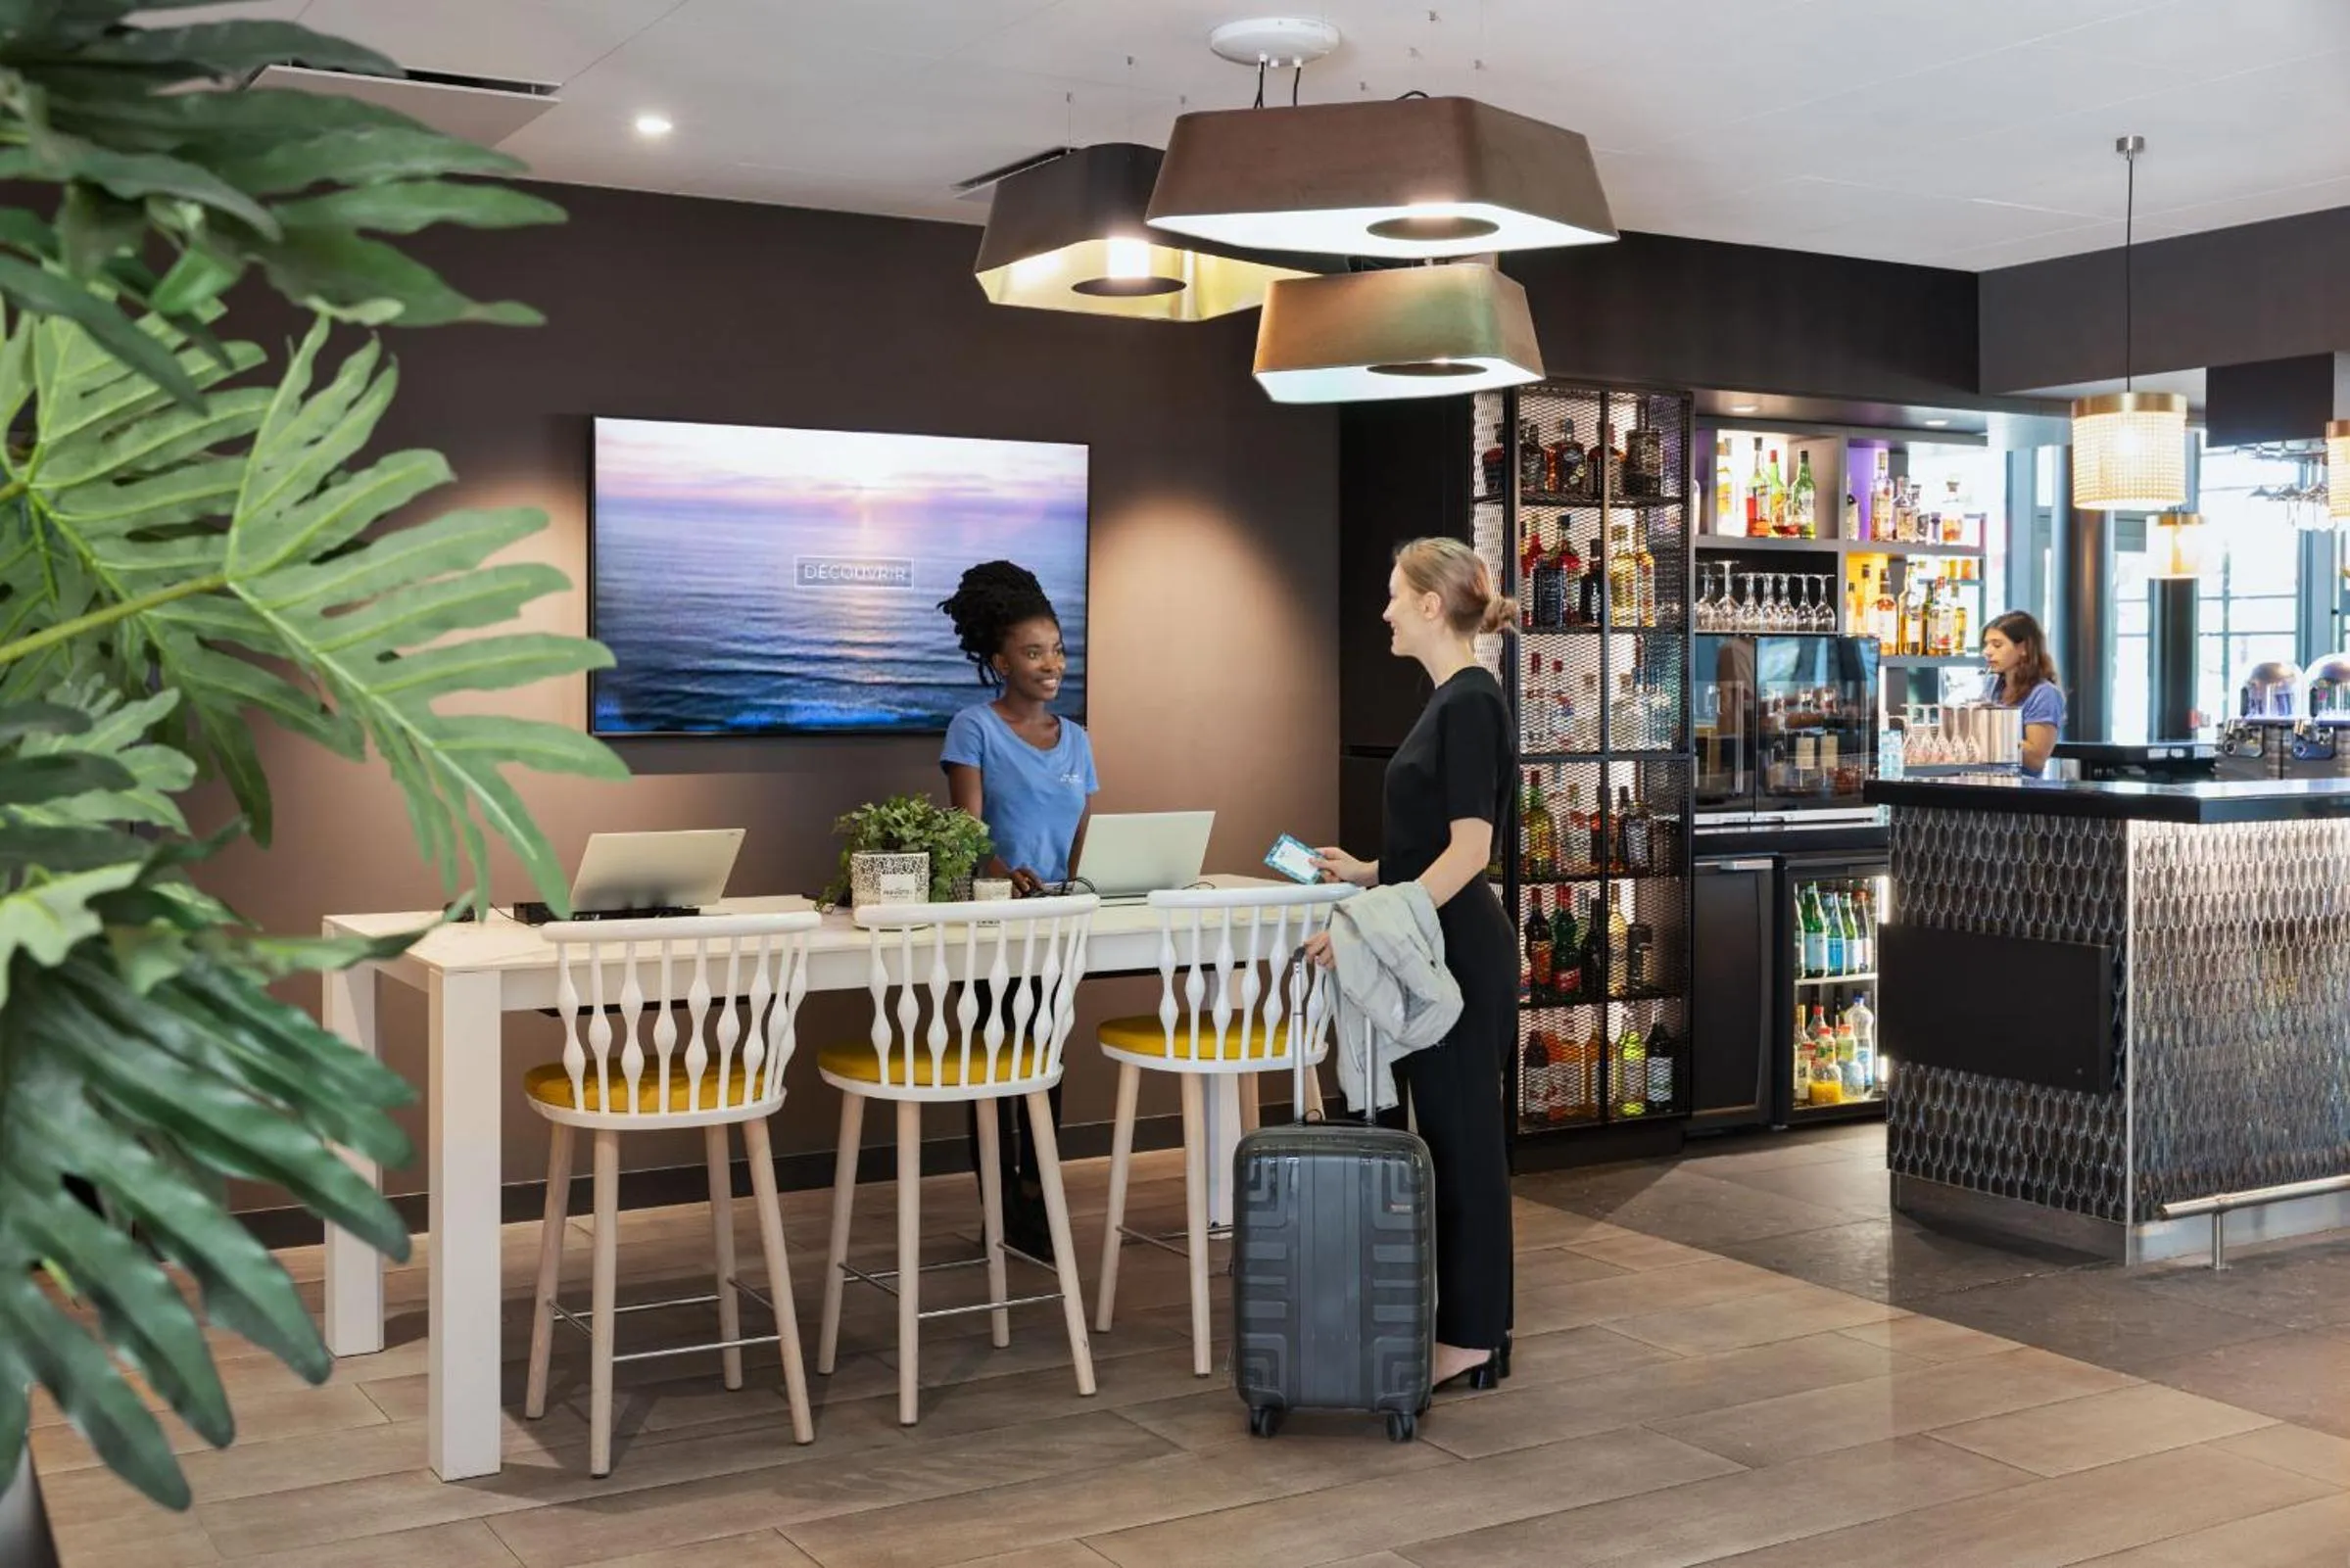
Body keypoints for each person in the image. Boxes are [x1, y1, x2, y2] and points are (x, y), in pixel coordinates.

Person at [1306, 536, 1516, 1392]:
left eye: (1395, 595)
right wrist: (1367, 871)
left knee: (1464, 1147)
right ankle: (1471, 1328)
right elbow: (1434, 843)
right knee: (1452, 1139)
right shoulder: (1450, 699)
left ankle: (1470, 1337)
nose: (1385, 610)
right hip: (1440, 945)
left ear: (1432, 605)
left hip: (1457, 955)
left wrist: (1366, 920)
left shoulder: (1469, 702)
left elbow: (1470, 849)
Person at [938, 561, 1095, 1260]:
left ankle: (1037, 1193)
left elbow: (1082, 837)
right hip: (992, 923)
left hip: (1056, 926)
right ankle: (999, 1207)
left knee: (1044, 1063)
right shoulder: (972, 727)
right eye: (1033, 652)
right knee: (994, 1069)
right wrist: (1004, 872)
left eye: (1057, 649)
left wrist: (1086, 881)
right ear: (999, 659)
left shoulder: (1078, 738)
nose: (1051, 663)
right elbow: (967, 833)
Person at [1980, 609, 2064, 776]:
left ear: (2024, 648)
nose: (1987, 651)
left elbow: (2036, 760)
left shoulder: (2044, 694)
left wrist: (1988, 729)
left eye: (1997, 645)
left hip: (2020, 792)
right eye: (1986, 644)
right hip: (1988, 786)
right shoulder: (1994, 688)